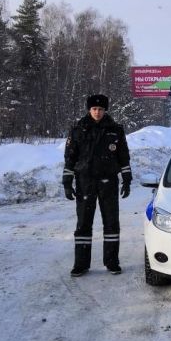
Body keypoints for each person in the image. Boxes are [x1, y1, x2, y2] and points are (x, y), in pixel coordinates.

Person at [62, 94, 132, 277]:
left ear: (105, 110)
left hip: (108, 182)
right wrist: (67, 183)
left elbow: (123, 156)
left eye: (101, 109)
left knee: (111, 223)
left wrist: (127, 179)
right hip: (85, 181)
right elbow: (70, 157)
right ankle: (81, 264)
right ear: (89, 109)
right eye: (94, 109)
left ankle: (112, 262)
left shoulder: (115, 130)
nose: (97, 112)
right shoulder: (78, 129)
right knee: (83, 223)